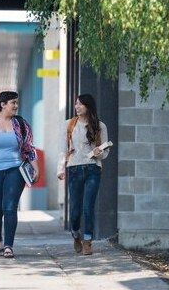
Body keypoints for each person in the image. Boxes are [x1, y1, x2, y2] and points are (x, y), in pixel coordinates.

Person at [0, 91, 38, 259]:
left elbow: (29, 148)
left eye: (16, 103)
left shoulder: (21, 124)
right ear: (2, 105)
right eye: (13, 103)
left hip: (15, 171)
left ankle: (9, 245)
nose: (16, 106)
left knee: (10, 207)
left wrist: (35, 167)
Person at [57, 94, 109, 255]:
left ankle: (88, 241)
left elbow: (105, 151)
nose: (77, 107)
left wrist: (98, 152)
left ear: (88, 106)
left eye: (80, 104)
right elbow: (62, 149)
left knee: (88, 207)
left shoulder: (100, 126)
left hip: (93, 168)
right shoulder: (69, 125)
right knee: (75, 211)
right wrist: (60, 169)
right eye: (76, 104)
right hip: (74, 169)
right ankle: (75, 234)